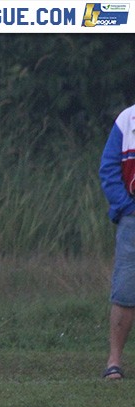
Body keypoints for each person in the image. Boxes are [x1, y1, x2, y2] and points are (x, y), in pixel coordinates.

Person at [100, 100, 135, 380]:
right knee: (124, 290)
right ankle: (114, 362)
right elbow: (109, 169)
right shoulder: (127, 120)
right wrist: (126, 207)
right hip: (132, 219)